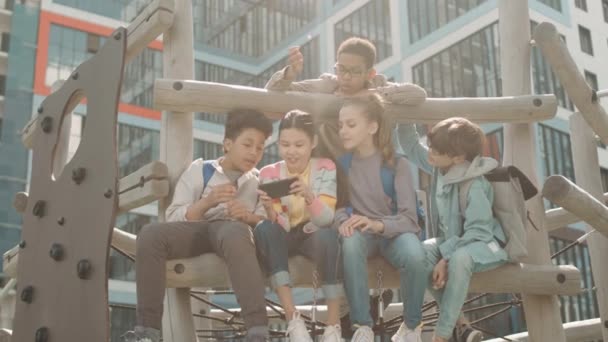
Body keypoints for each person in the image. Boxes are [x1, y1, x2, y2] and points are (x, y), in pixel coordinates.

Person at [122, 109, 274, 342]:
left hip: (234, 235)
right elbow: (173, 217)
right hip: (197, 230)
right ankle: (147, 333)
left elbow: (267, 224)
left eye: (260, 147)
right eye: (248, 144)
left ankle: (257, 333)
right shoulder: (201, 169)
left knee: (235, 230)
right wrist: (208, 201)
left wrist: (247, 217)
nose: (254, 152)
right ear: (227, 144)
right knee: (150, 234)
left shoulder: (260, 181)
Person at [397, 117, 508, 342]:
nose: (430, 152)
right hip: (454, 244)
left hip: (486, 245)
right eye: (431, 146)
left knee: (459, 259)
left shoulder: (474, 184)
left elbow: (479, 232)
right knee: (421, 255)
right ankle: (462, 326)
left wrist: (445, 258)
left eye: (436, 150)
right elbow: (410, 145)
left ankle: (442, 335)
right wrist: (404, 113)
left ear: (458, 157)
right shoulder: (441, 167)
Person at [336, 95, 429, 342]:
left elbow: (410, 219)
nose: (343, 131)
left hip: (394, 233)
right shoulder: (342, 164)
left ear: (373, 127)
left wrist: (377, 224)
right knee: (350, 241)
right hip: (361, 234)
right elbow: (338, 207)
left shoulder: (397, 164)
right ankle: (361, 326)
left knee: (416, 257)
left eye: (351, 124)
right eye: (341, 125)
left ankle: (411, 327)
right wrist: (344, 220)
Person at [254, 109, 343, 342]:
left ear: (313, 142)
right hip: (284, 233)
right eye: (285, 144)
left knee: (329, 236)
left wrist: (309, 197)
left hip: (313, 232)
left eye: (299, 145)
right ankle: (293, 319)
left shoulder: (325, 167)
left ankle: (333, 325)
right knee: (264, 227)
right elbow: (277, 227)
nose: (291, 151)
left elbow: (325, 220)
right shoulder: (269, 172)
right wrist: (270, 210)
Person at [265, 36, 427, 158]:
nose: (346, 77)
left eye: (355, 71)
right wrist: (290, 73)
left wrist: (372, 95)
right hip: (329, 176)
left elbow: (418, 94)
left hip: (373, 173)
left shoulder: (378, 84)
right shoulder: (327, 85)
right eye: (341, 69)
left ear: (370, 74)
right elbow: (271, 92)